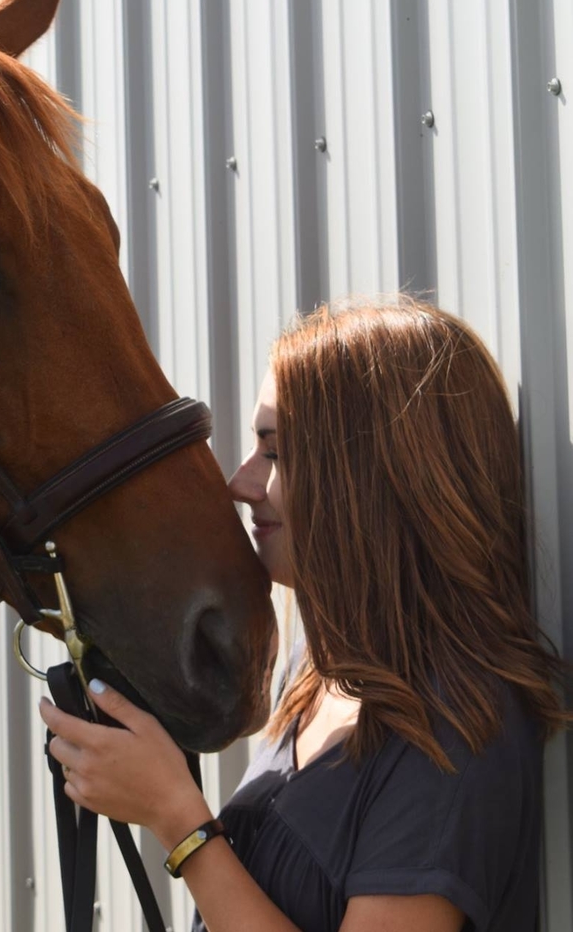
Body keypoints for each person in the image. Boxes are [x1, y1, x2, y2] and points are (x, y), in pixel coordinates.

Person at [39, 297, 569, 932]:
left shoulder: (454, 729)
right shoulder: (319, 673)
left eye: (275, 453)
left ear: (371, 476)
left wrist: (178, 820)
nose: (240, 482)